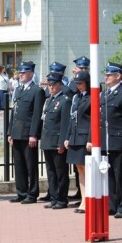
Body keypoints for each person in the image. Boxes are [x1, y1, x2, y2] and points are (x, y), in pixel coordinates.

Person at [100, 62, 122, 218]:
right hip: (106, 141)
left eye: (109, 75)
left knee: (121, 176)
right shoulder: (104, 94)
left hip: (119, 142)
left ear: (118, 76)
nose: (106, 77)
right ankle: (112, 205)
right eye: (106, 74)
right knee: (109, 177)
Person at [7, 61, 46, 204]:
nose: (21, 75)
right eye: (20, 73)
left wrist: (34, 134)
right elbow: (14, 113)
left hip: (28, 133)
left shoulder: (37, 90)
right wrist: (9, 132)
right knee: (19, 165)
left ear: (31, 74)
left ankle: (32, 193)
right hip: (17, 132)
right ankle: (21, 192)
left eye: (24, 73)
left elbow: (37, 115)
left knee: (31, 166)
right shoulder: (18, 90)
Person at [40, 72, 71, 210]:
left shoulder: (65, 100)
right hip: (48, 141)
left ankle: (62, 199)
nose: (51, 88)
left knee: (61, 172)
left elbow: (65, 124)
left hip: (57, 142)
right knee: (51, 172)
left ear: (60, 85)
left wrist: (61, 143)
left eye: (53, 85)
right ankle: (53, 197)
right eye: (49, 85)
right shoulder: (49, 100)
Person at [64, 71, 91, 214]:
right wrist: (68, 137)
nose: (78, 86)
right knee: (79, 169)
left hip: (84, 137)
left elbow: (93, 120)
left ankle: (89, 201)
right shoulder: (76, 98)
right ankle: (83, 200)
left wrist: (90, 139)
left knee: (86, 169)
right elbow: (72, 118)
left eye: (80, 83)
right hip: (75, 137)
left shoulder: (93, 97)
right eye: (77, 84)